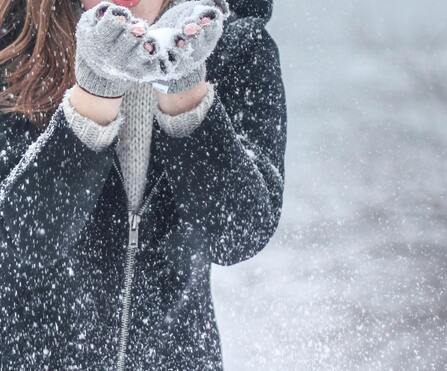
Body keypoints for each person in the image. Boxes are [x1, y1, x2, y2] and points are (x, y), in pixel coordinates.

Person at [0, 0, 286, 368]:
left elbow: (237, 235)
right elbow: (15, 244)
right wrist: (94, 96)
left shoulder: (236, 48)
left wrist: (185, 95)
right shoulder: (14, 45)